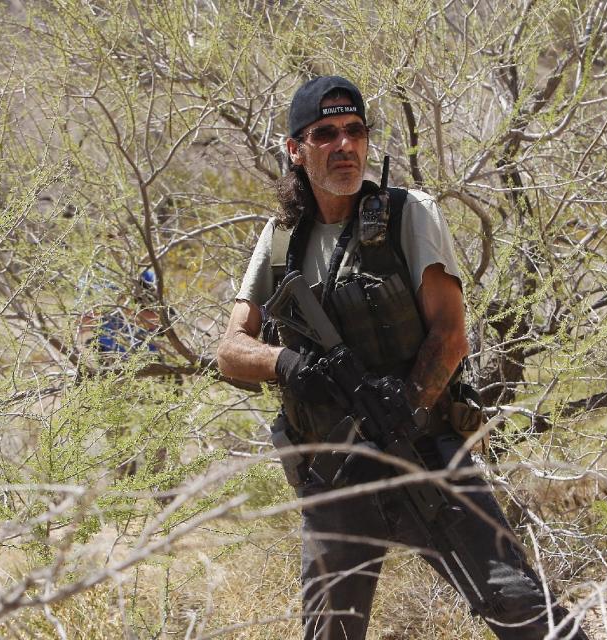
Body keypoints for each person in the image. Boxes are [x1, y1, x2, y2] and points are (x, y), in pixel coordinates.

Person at [217, 76, 587, 640]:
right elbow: (230, 349)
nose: (345, 145)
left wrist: (407, 407)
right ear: (296, 150)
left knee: (513, 601)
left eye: (355, 131)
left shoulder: (407, 213)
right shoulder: (280, 238)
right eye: (326, 134)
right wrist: (288, 367)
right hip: (336, 473)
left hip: (420, 448)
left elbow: (450, 334)